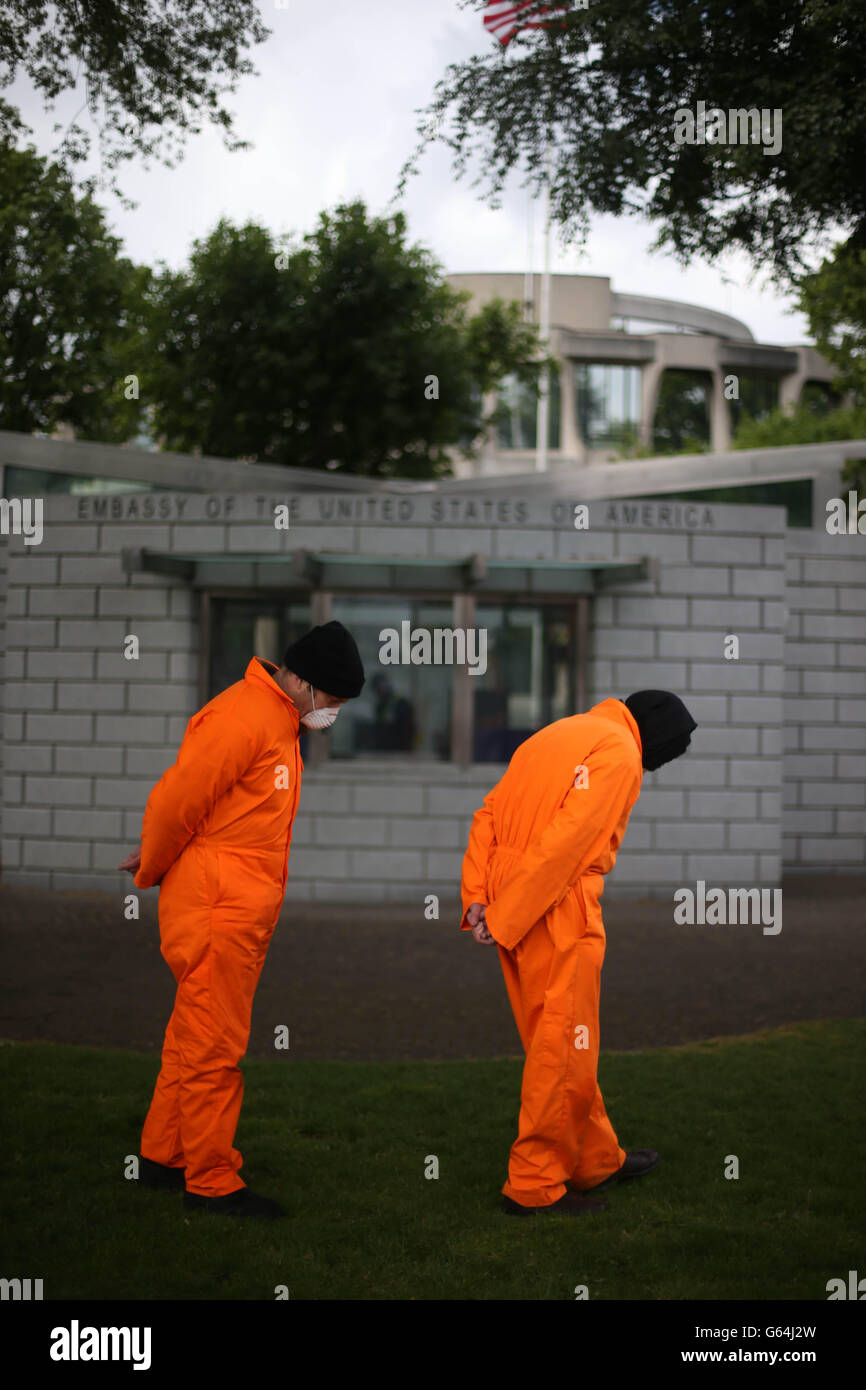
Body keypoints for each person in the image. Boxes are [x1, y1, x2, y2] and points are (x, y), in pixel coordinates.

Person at [118, 620, 365, 1220]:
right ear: (305, 682)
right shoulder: (249, 716)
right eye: (332, 701)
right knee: (213, 1044)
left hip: (223, 905)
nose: (332, 713)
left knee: (190, 1034)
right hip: (218, 909)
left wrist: (158, 855)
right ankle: (210, 1181)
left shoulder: (273, 718)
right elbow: (179, 799)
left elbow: (200, 809)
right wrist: (152, 863)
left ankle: (163, 1155)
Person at [459, 689, 697, 1217]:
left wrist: (478, 896)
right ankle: (534, 1186)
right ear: (654, 743)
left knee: (557, 1041)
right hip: (555, 905)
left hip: (512, 891)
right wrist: (504, 917)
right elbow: (567, 846)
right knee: (563, 1048)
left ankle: (595, 1161)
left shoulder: (559, 732)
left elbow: (490, 812)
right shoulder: (620, 755)